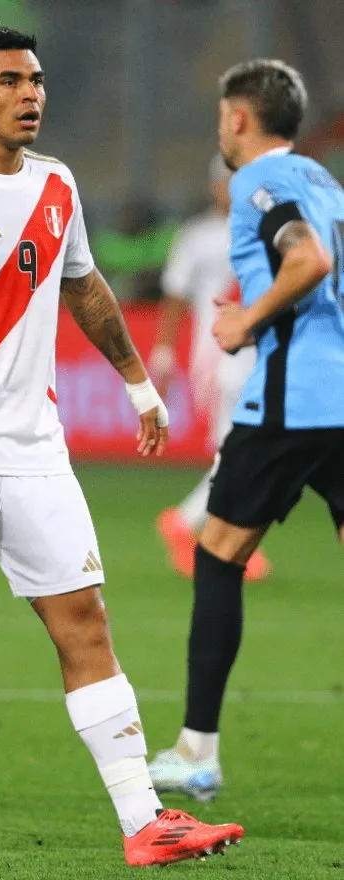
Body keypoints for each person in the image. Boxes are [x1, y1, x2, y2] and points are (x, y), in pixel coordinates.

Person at [0, 27, 243, 867]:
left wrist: (137, 380)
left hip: (36, 453)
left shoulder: (57, 184)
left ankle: (145, 823)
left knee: (85, 623)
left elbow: (83, 284)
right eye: (10, 81)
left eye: (38, 81)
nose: (31, 95)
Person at [148, 58, 344, 803]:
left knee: (219, 554)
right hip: (343, 393)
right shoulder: (326, 183)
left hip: (295, 401)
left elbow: (309, 261)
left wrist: (245, 320)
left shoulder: (260, 185)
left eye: (220, 119)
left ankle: (197, 750)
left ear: (238, 118)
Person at [151, 157, 271, 581]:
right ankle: (190, 526)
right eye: (226, 182)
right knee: (241, 452)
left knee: (244, 452)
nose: (232, 189)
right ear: (214, 187)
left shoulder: (262, 231)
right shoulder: (197, 236)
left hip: (252, 351)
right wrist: (164, 351)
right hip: (216, 354)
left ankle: (224, 542)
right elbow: (175, 295)